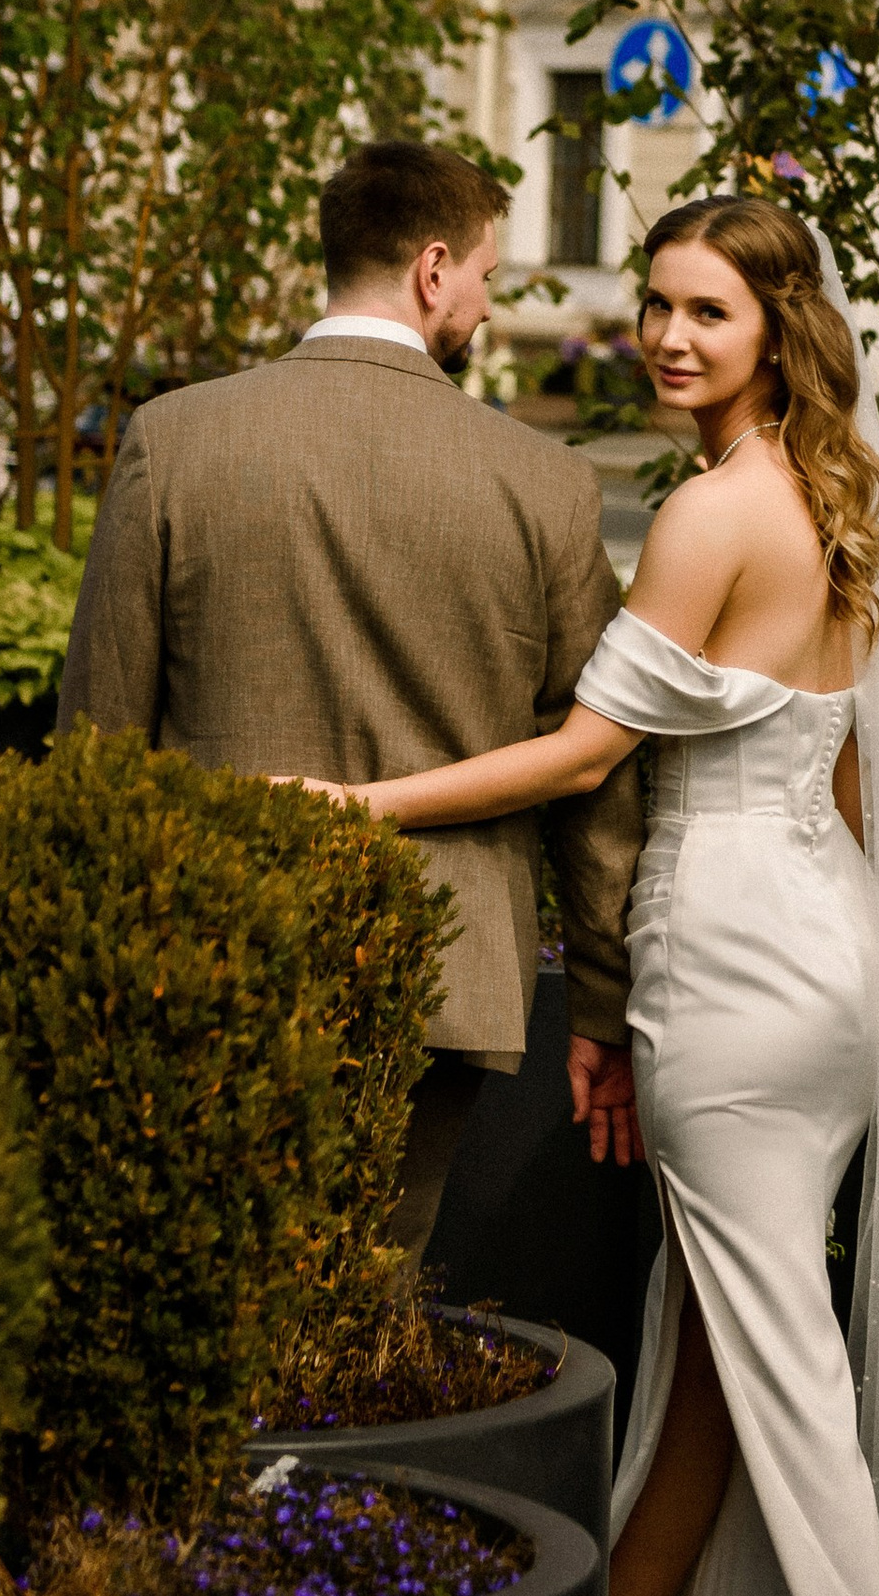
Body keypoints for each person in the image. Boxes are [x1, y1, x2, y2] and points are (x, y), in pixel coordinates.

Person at [315, 197, 879, 1596]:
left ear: (776, 323)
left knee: (775, 1378)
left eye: (707, 312)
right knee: (721, 1356)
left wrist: (353, 805)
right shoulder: (845, 498)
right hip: (835, 960)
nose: (667, 337)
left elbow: (582, 759)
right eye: (654, 305)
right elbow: (859, 779)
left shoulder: (716, 508)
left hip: (728, 963)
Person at [56, 137, 645, 1264]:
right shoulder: (546, 484)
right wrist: (603, 1008)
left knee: (196, 1278)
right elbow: (596, 772)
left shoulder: (172, 440)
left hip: (208, 945)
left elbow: (100, 731)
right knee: (363, 1290)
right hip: (446, 972)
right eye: (483, 274)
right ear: (433, 270)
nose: (482, 301)